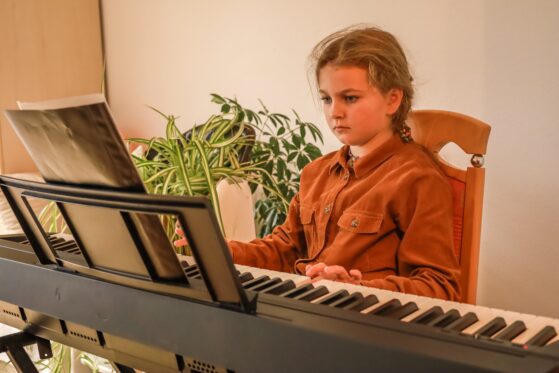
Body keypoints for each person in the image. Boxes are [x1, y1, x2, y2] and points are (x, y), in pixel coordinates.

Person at [177, 25, 460, 301]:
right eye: (326, 99)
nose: (334, 112)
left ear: (392, 100)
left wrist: (361, 288)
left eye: (350, 98)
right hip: (307, 309)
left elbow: (439, 287)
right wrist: (224, 250)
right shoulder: (316, 172)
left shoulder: (416, 178)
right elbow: (285, 249)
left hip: (362, 325)